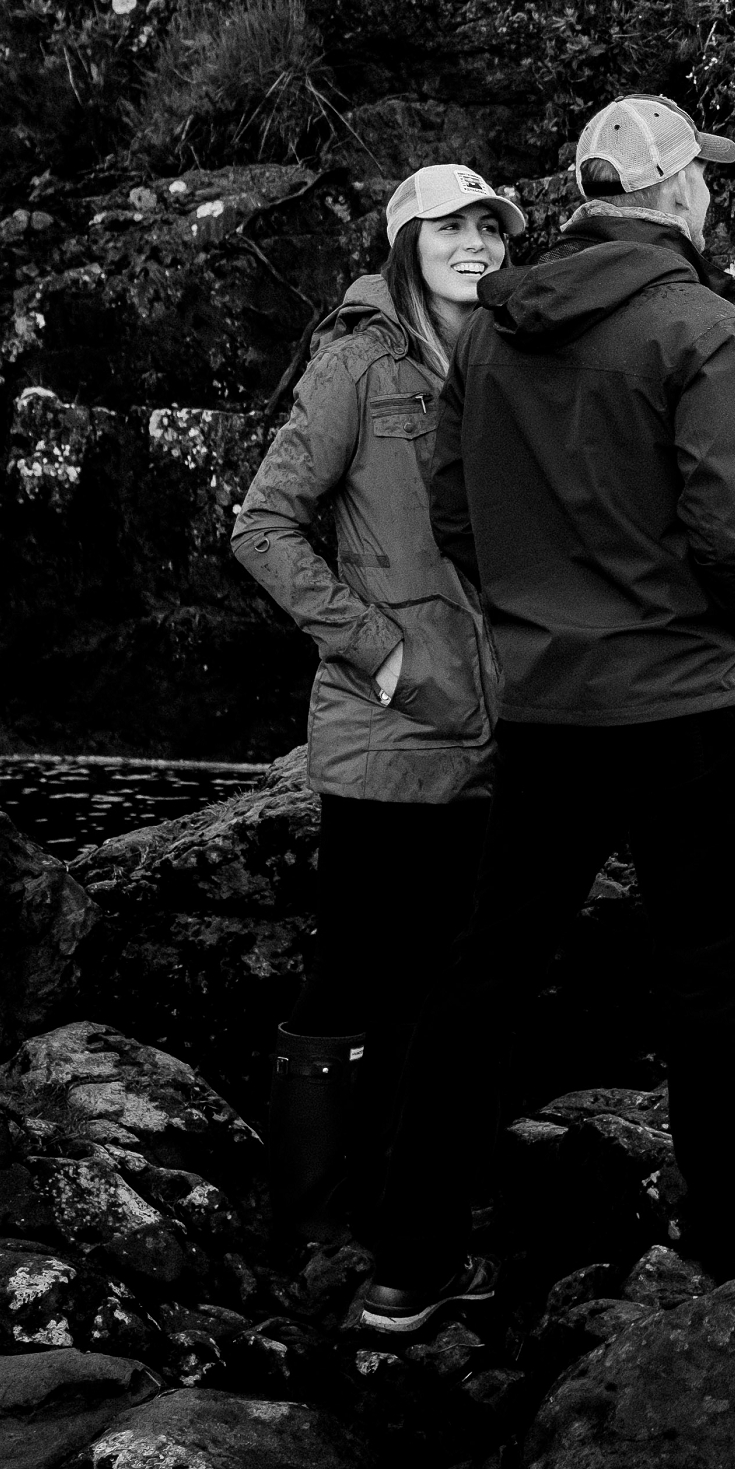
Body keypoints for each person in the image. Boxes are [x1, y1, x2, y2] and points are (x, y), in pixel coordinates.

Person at [344, 94, 735, 1334]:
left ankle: (407, 1261)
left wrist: (536, 614)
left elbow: (452, 512)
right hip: (690, 703)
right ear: (667, 192)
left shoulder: (492, 336)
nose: (708, 189)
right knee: (713, 981)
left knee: (483, 980)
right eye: (699, 173)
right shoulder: (698, 326)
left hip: (550, 711)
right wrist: (733, 631)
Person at [227, 161, 523, 1244]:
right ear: (406, 239)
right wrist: (382, 654)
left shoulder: (503, 357)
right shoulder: (357, 362)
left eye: (488, 223)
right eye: (450, 225)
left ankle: (418, 1210)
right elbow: (263, 527)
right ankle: (309, 1224)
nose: (475, 241)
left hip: (495, 735)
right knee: (357, 964)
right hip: (389, 728)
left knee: (449, 979)